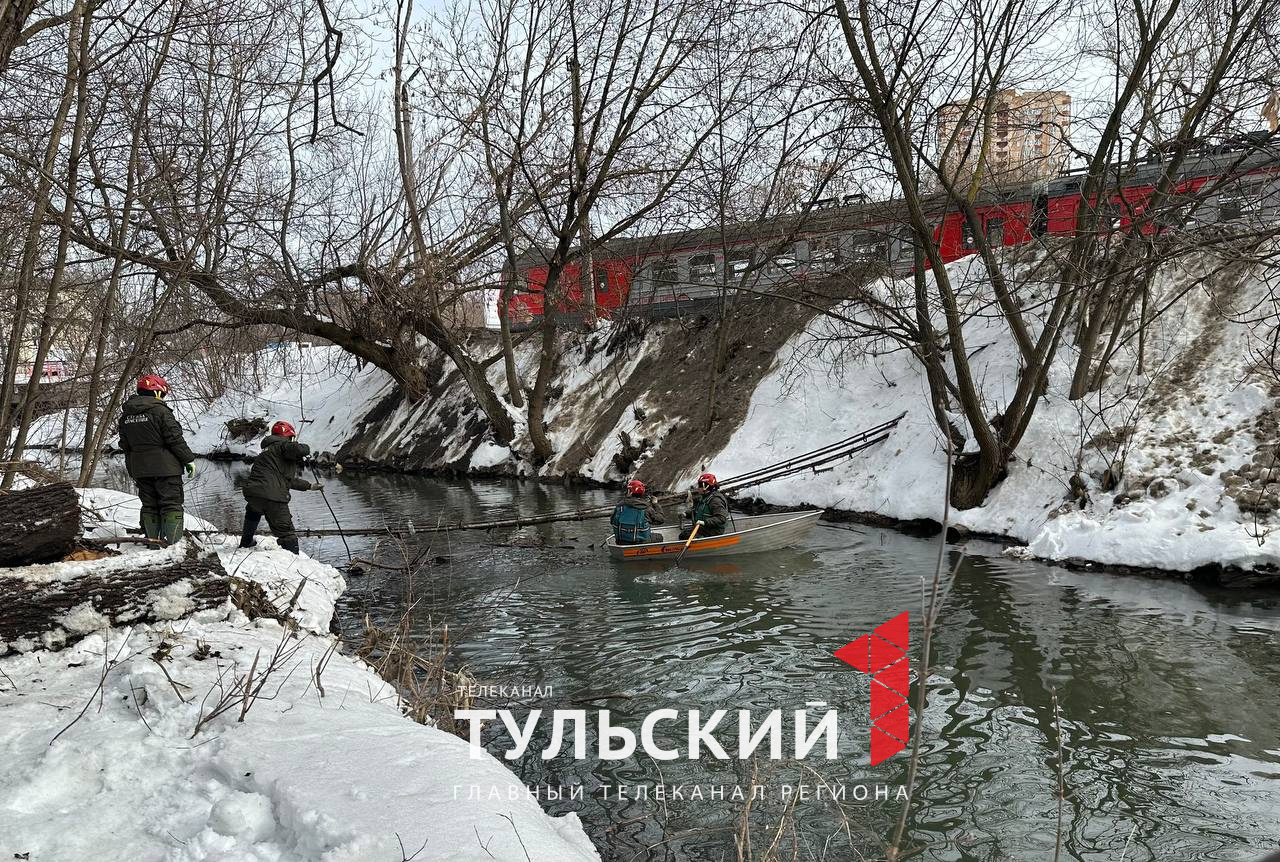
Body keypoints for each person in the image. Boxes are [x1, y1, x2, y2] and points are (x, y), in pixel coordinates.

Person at [118, 374, 196, 545]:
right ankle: (173, 546)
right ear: (158, 392)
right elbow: (174, 439)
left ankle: (153, 544)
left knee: (149, 505)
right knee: (171, 504)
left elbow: (125, 445)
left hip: (140, 469)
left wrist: (132, 468)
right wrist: (188, 460)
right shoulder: (161, 411)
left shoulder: (126, 416)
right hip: (166, 469)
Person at [238, 421, 323, 554]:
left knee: (253, 510)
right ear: (288, 436)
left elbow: (284, 480)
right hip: (272, 496)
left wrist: (310, 486)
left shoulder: (267, 451)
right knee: (286, 531)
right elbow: (298, 449)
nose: (291, 440)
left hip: (253, 492)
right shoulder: (282, 446)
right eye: (291, 438)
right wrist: (305, 448)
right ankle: (294, 559)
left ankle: (246, 542)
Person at [611, 479, 665, 544]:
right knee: (659, 537)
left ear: (630, 492)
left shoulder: (619, 506)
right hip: (641, 543)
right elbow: (661, 520)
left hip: (621, 542)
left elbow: (612, 521)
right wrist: (655, 504)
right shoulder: (646, 508)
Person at [679, 472, 729, 539]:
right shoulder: (704, 497)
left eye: (700, 485)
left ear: (706, 487)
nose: (698, 488)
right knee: (683, 535)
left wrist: (704, 522)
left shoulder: (716, 500)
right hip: (703, 529)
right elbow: (697, 511)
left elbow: (721, 518)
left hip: (713, 531)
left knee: (686, 537)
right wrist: (686, 514)